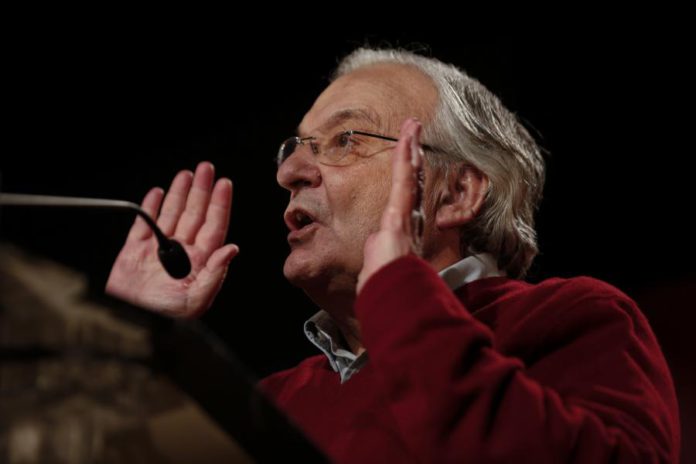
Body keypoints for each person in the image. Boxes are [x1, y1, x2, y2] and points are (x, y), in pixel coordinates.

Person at [105, 47, 681, 463]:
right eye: (296, 148)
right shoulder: (273, 402)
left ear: (455, 193)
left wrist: (400, 293)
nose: (290, 172)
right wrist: (122, 353)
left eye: (346, 140)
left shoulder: (571, 318)